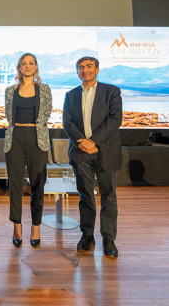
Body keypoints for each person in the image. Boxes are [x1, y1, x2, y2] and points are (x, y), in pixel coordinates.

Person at [63, 56, 122, 258]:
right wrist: (83, 141)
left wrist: (93, 141)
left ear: (97, 70)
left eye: (89, 67)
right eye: (81, 67)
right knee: (85, 195)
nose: (85, 70)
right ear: (77, 72)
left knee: (108, 196)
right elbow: (67, 123)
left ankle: (108, 238)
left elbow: (115, 120)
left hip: (105, 151)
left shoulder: (111, 91)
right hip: (81, 153)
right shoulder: (70, 95)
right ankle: (87, 234)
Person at [4, 53, 52, 248]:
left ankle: (36, 227)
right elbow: (9, 115)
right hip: (15, 138)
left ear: (36, 67)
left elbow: (46, 113)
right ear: (19, 67)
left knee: (37, 184)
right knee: (15, 184)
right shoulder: (10, 91)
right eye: (24, 64)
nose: (27, 66)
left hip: (37, 138)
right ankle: (17, 226)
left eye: (31, 63)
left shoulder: (45, 89)